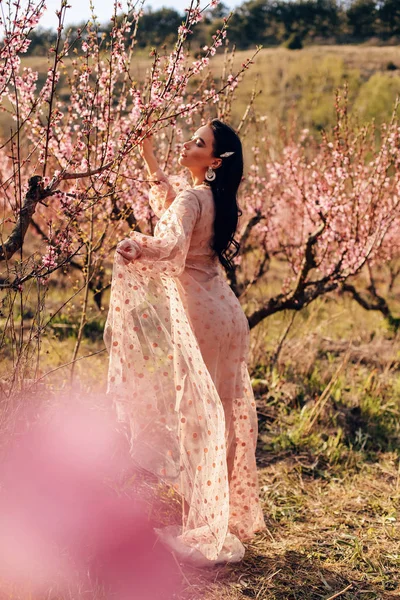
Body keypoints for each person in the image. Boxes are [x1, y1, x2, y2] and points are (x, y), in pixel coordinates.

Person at [104, 119, 265, 566]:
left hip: (204, 317)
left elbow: (171, 241)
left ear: (214, 161)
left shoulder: (196, 198)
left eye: (199, 142)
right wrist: (148, 154)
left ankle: (205, 529)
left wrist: (137, 245)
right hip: (227, 313)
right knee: (222, 415)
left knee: (199, 416)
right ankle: (218, 516)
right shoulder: (211, 198)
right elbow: (172, 207)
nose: (188, 144)